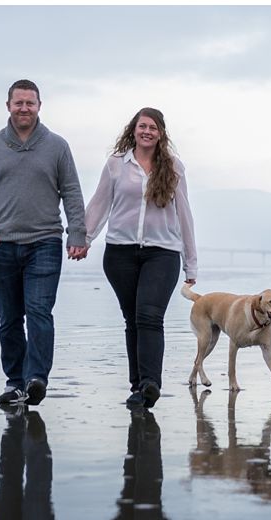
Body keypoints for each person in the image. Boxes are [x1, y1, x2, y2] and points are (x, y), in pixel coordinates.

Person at [0, 79, 87, 406]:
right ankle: (14, 382)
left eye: (30, 103)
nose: (24, 108)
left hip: (45, 242)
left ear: (39, 106)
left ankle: (36, 378)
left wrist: (77, 233)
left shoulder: (57, 146)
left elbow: (72, 192)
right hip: (2, 245)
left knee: (39, 311)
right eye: (18, 103)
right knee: (9, 318)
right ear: (8, 106)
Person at [72, 108, 197, 408]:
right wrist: (84, 239)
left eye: (153, 128)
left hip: (162, 253)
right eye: (142, 126)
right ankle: (137, 386)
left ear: (161, 133)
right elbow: (100, 202)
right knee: (133, 320)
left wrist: (190, 262)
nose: (147, 132)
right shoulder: (117, 164)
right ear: (134, 129)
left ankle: (151, 383)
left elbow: (184, 215)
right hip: (120, 253)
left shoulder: (174, 167)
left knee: (149, 317)